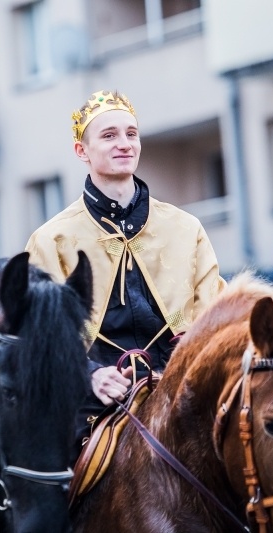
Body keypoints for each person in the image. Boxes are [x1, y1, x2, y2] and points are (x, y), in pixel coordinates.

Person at [26, 90, 227, 448]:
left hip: (183, 393)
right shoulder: (50, 239)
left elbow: (215, 317)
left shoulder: (186, 228)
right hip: (92, 404)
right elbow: (38, 338)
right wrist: (91, 377)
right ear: (81, 151)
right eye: (109, 135)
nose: (125, 144)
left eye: (131, 134)